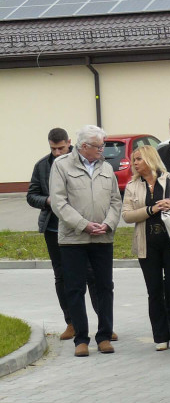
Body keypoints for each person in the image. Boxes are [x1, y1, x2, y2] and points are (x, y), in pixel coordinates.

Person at [27, 127, 108, 342]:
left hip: (83, 229)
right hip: (54, 229)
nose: (56, 153)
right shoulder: (43, 166)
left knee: (91, 275)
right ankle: (71, 323)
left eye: (60, 148)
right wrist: (47, 201)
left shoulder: (83, 160)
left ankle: (104, 324)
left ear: (70, 142)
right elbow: (31, 195)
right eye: (53, 149)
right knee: (63, 277)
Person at [49, 125, 122, 357]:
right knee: (75, 288)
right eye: (99, 146)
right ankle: (81, 339)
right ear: (84, 147)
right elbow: (59, 203)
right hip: (73, 239)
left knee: (104, 287)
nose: (103, 150)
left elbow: (115, 201)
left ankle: (104, 336)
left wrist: (108, 223)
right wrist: (84, 224)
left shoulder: (107, 168)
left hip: (102, 237)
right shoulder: (61, 166)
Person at [121, 145, 170, 350]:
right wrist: (150, 209)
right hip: (147, 244)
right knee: (155, 290)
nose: (135, 164)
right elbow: (127, 215)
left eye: (138, 159)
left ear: (150, 159)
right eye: (134, 160)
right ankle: (160, 336)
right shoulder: (133, 186)